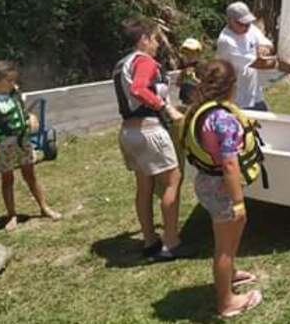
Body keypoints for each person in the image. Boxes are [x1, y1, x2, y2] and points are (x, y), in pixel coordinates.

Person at [182, 59, 262, 318]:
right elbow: (229, 163)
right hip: (221, 186)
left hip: (207, 181)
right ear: (230, 87)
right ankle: (227, 302)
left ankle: (230, 273)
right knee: (224, 245)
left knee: (231, 233)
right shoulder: (223, 119)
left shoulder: (200, 110)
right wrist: (238, 201)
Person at [112, 17, 185, 260]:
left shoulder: (122, 64)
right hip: (149, 129)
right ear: (143, 39)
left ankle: (149, 239)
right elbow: (139, 89)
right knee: (173, 180)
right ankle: (171, 241)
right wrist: (166, 108)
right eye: (154, 39)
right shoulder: (144, 61)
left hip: (128, 132)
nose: (156, 44)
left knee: (144, 186)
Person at [0, 61, 61, 231]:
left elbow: (22, 110)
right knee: (7, 179)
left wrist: (30, 118)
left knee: (31, 176)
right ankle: (11, 215)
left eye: (14, 80)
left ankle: (44, 208)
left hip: (21, 141)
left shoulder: (14, 94)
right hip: (2, 146)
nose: (13, 84)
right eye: (9, 80)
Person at [216, 1, 290, 110]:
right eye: (242, 24)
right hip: (237, 100)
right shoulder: (226, 41)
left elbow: (268, 44)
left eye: (248, 23)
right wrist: (280, 65)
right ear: (230, 20)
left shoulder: (250, 29)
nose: (246, 26)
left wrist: (265, 48)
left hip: (256, 95)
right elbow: (256, 63)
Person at [176, 37, 203, 106]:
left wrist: (194, 79)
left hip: (197, 101)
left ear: (198, 54)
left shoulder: (201, 67)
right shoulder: (184, 68)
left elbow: (205, 85)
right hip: (185, 100)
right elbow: (178, 84)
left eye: (192, 53)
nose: (188, 56)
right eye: (186, 53)